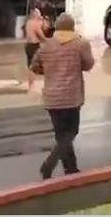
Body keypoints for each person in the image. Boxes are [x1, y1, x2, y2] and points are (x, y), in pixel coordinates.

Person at [29, 13, 94, 180]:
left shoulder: (46, 45)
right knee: (71, 132)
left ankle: (70, 169)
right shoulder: (80, 43)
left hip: (52, 98)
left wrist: (49, 70)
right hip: (72, 97)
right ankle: (49, 164)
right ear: (72, 27)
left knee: (61, 135)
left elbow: (34, 66)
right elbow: (88, 65)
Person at [23, 8, 48, 91]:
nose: (40, 14)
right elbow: (41, 35)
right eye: (39, 13)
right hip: (34, 46)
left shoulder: (28, 23)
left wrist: (42, 22)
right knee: (45, 65)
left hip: (28, 45)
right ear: (35, 14)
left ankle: (31, 87)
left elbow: (44, 28)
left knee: (31, 67)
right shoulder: (35, 24)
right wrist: (49, 41)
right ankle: (48, 85)